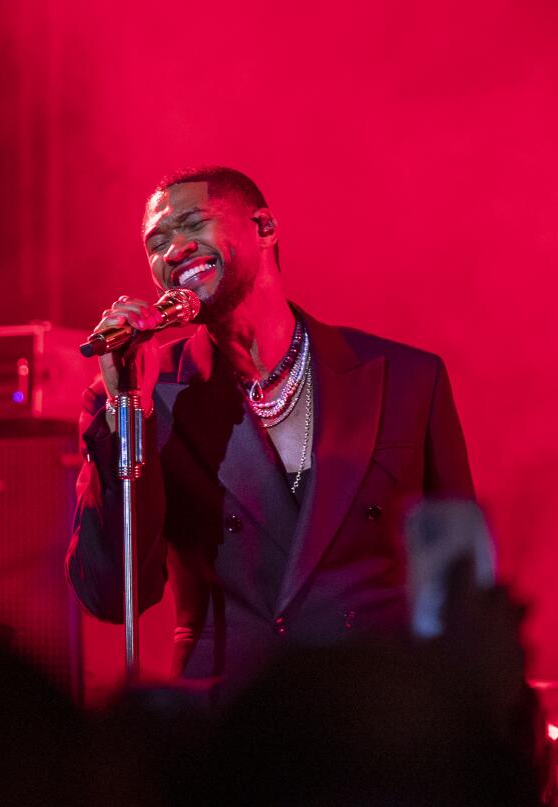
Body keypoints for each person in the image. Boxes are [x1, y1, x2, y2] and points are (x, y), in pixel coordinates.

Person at [66, 167, 474, 700]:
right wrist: (129, 415)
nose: (174, 251)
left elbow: (462, 579)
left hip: (380, 712)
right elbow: (109, 594)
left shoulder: (404, 378)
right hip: (233, 722)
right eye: (157, 243)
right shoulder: (141, 398)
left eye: (193, 224)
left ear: (264, 227)